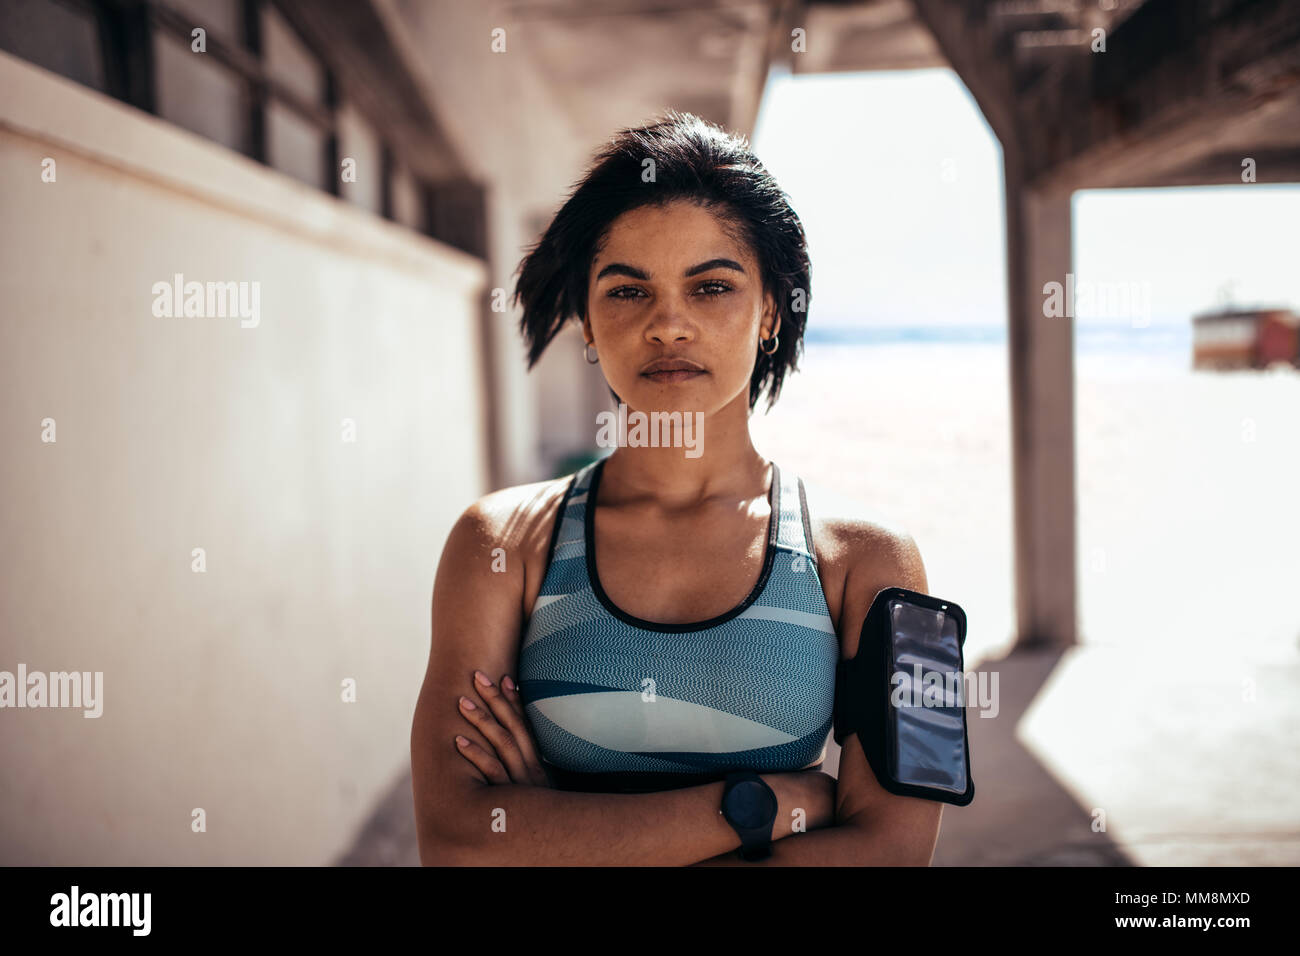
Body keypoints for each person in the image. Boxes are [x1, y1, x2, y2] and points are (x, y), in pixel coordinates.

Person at [410, 110, 940, 865]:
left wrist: (558, 828)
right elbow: (457, 842)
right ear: (587, 326)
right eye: (627, 292)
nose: (668, 325)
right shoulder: (497, 544)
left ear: (767, 314)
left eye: (711, 286)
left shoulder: (877, 564)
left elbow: (895, 855)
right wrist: (767, 806)